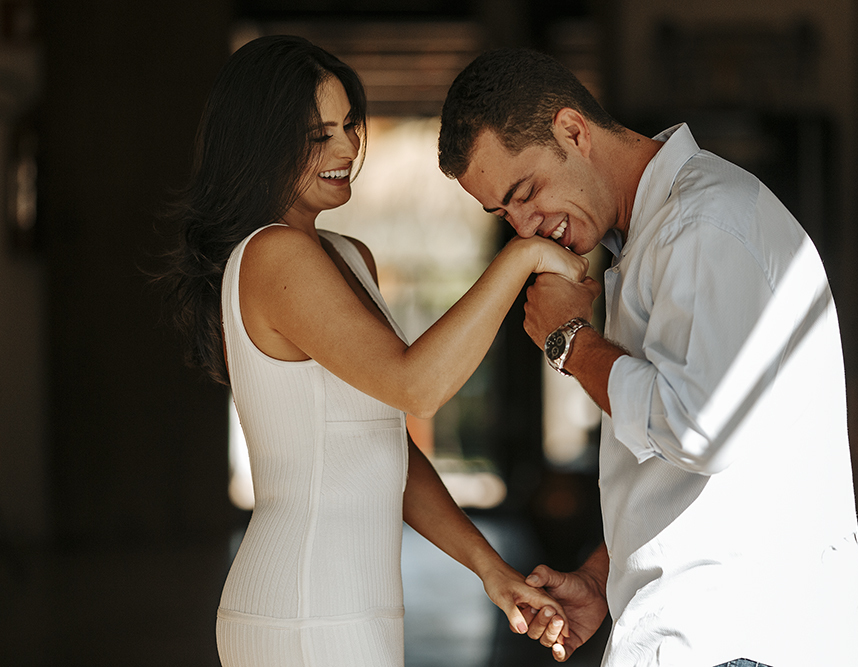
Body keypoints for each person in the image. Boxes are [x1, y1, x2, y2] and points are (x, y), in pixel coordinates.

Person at [438, 47, 858, 667]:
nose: (525, 227)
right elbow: (697, 473)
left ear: (573, 131)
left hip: (730, 645)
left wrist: (569, 340)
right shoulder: (656, 236)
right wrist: (604, 575)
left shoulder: (702, 225)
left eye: (526, 192)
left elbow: (698, 429)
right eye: (503, 212)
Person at [159, 36, 583, 667]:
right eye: (318, 135)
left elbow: (388, 448)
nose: (347, 149)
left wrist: (490, 570)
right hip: (303, 611)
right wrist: (520, 257)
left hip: (355, 611)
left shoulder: (349, 256)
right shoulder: (273, 255)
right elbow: (416, 387)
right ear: (261, 142)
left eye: (348, 126)